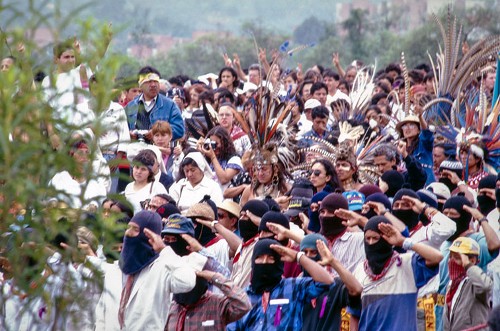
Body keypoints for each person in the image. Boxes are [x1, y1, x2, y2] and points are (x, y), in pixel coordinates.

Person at [91, 211, 207, 330]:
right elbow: (101, 314)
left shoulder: (162, 269)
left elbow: (187, 282)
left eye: (135, 229)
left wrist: (164, 250)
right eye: (128, 228)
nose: (128, 233)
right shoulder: (114, 270)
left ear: (150, 237)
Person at [349, 216, 443, 331]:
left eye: (375, 238)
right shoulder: (360, 270)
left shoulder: (407, 263)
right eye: (367, 239)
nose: (371, 243)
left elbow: (437, 257)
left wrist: (403, 241)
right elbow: (354, 313)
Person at [227, 238, 334, 330]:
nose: (264, 262)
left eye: (271, 258)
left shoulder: (293, 287)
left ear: (279, 262)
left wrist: (298, 257)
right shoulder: (242, 297)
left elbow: (327, 281)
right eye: (259, 257)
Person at [443, 237, 493, 331]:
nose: (452, 261)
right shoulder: (451, 285)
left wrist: (467, 265)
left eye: (457, 258)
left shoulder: (474, 283)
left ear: (473, 261)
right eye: (451, 257)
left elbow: (485, 286)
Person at [125, 66, 184, 140]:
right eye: (149, 82)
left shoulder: (170, 105)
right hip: (135, 149)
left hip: (160, 149)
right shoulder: (130, 107)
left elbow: (179, 129)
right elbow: (121, 129)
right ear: (140, 85)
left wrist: (157, 132)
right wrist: (128, 134)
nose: (153, 85)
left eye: (155, 81)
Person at [48, 139, 107, 210]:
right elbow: (51, 198)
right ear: (71, 156)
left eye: (87, 152)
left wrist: (93, 207)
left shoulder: (97, 180)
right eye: (80, 152)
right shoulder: (59, 177)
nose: (84, 156)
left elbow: (102, 202)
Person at [198, 126, 243, 192]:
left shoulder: (235, 159)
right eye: (211, 143)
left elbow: (224, 179)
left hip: (227, 200)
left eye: (216, 144)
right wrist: (200, 153)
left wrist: (213, 157)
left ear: (225, 143)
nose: (213, 147)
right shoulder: (209, 158)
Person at [395, 112, 434, 185]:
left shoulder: (423, 145)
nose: (408, 128)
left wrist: (420, 116)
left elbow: (426, 133)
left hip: (426, 184)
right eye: (405, 126)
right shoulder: (400, 149)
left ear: (419, 130)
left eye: (412, 125)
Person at [124, 149, 168, 214]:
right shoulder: (129, 187)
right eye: (137, 167)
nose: (138, 172)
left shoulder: (157, 187)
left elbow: (166, 208)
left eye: (143, 169)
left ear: (149, 172)